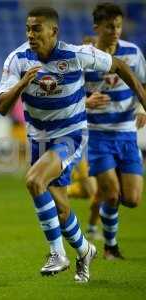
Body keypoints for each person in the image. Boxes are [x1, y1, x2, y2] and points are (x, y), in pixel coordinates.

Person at [0, 7, 146, 282]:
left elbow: (119, 66)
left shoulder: (77, 54)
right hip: (38, 140)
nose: (31, 34)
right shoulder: (18, 59)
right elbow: (2, 107)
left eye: (37, 29)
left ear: (53, 31)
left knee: (33, 181)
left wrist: (143, 99)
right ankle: (85, 250)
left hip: (71, 135)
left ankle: (57, 253)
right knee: (61, 208)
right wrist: (22, 84)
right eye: (28, 29)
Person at [84, 3, 146, 260]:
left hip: (126, 132)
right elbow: (71, 91)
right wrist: (85, 102)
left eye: (119, 26)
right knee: (111, 193)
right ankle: (111, 246)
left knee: (131, 199)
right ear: (97, 27)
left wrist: (143, 108)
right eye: (110, 26)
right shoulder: (85, 56)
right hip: (97, 133)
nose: (116, 31)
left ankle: (112, 197)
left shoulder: (132, 52)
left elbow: (142, 82)